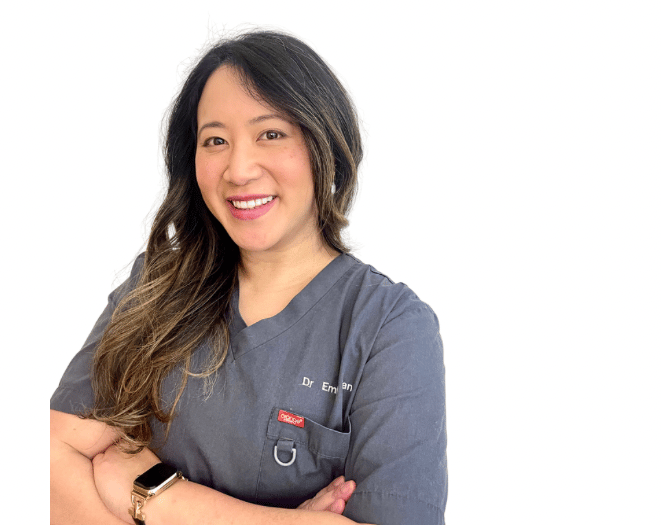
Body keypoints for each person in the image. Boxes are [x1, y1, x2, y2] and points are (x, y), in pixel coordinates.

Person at [50, 30, 446, 524]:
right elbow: (49, 462)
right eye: (215, 140)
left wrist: (161, 499)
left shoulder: (390, 328)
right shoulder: (156, 287)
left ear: (326, 143)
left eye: (271, 134)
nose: (238, 169)